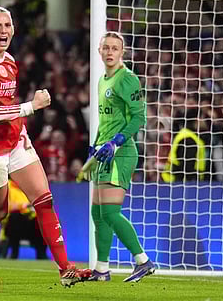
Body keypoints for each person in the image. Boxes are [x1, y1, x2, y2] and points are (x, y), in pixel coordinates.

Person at [0, 6, 91, 291]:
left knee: (43, 199)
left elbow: (7, 108)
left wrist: (21, 125)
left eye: (7, 25)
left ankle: (65, 268)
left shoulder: (9, 61)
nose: (3, 30)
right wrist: (33, 106)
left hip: (14, 139)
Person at [83, 31, 155, 282]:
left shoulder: (128, 79)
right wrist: (95, 146)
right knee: (97, 213)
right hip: (104, 152)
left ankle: (143, 261)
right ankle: (101, 269)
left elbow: (139, 117)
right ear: (99, 51)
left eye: (115, 48)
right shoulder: (103, 80)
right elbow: (105, 120)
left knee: (111, 213)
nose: (110, 52)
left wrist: (116, 142)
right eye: (106, 47)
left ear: (122, 52)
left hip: (121, 152)